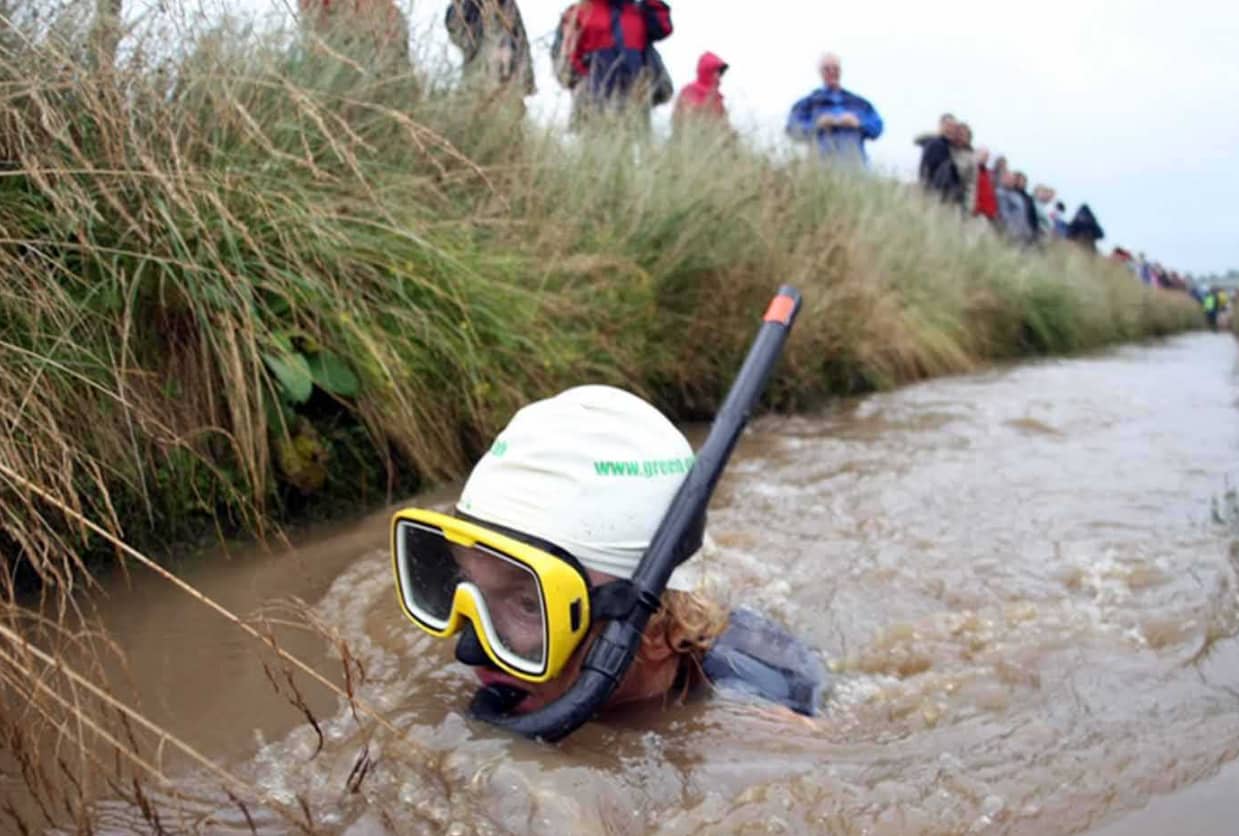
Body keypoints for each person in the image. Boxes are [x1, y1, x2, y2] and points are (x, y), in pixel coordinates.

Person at [391, 386, 827, 719]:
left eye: (529, 604)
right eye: (464, 585)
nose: (469, 650)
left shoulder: (764, 709)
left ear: (656, 630)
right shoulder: (517, 665)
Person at [555, 0, 673, 130]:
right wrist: (587, 85)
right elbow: (566, 65)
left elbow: (662, 27)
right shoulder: (579, 13)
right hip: (593, 105)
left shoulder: (639, 12)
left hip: (635, 105)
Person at [786, 53, 883, 164]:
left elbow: (878, 127)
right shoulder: (808, 103)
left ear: (841, 71)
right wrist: (817, 125)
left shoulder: (858, 102)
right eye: (827, 69)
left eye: (835, 69)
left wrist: (858, 123)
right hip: (820, 166)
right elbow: (792, 129)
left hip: (854, 166)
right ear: (820, 72)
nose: (832, 72)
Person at [445, 0, 535, 97]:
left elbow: (521, 46)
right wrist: (458, 6)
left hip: (507, 85)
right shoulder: (470, 7)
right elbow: (458, 35)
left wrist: (525, 83)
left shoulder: (508, 7)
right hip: (478, 85)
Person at [672, 51, 729, 134]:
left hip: (714, 139)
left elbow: (725, 125)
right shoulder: (690, 90)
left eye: (720, 73)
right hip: (691, 137)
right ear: (707, 70)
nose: (718, 76)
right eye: (715, 71)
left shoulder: (717, 97)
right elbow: (681, 120)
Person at [973, 146, 999, 222]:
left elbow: (991, 194)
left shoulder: (988, 174)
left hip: (989, 215)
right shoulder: (973, 170)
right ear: (976, 154)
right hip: (978, 213)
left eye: (987, 156)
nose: (986, 158)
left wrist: (993, 211)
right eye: (984, 155)